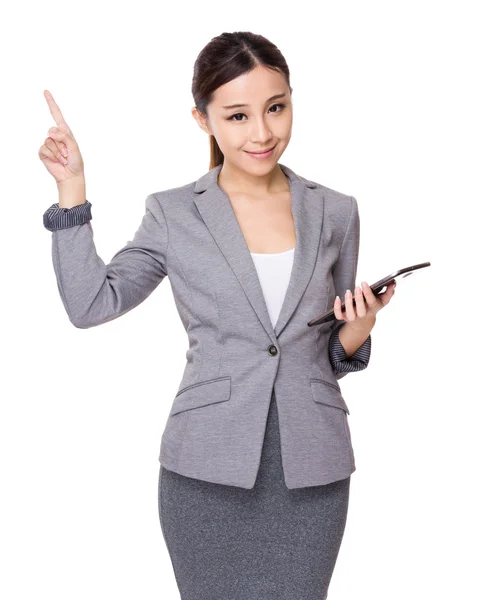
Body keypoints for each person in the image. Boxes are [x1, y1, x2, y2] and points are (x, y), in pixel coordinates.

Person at [39, 30, 395, 600]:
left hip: (312, 467)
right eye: (237, 115)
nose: (262, 132)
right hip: (205, 468)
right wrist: (72, 192)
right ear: (203, 120)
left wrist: (361, 326)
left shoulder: (337, 211)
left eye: (276, 108)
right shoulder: (173, 213)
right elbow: (90, 304)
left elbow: (325, 354)